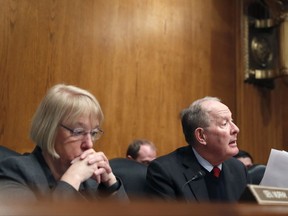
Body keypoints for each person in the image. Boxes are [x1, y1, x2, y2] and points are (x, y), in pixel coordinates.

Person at [0, 84, 127, 203]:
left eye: (93, 133)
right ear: (50, 130)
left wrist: (111, 185)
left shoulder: (91, 181)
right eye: (78, 132)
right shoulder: (15, 172)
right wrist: (73, 179)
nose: (89, 145)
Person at [146, 96, 248, 202]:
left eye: (232, 121)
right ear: (201, 136)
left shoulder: (238, 169)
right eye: (224, 123)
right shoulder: (164, 171)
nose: (236, 129)